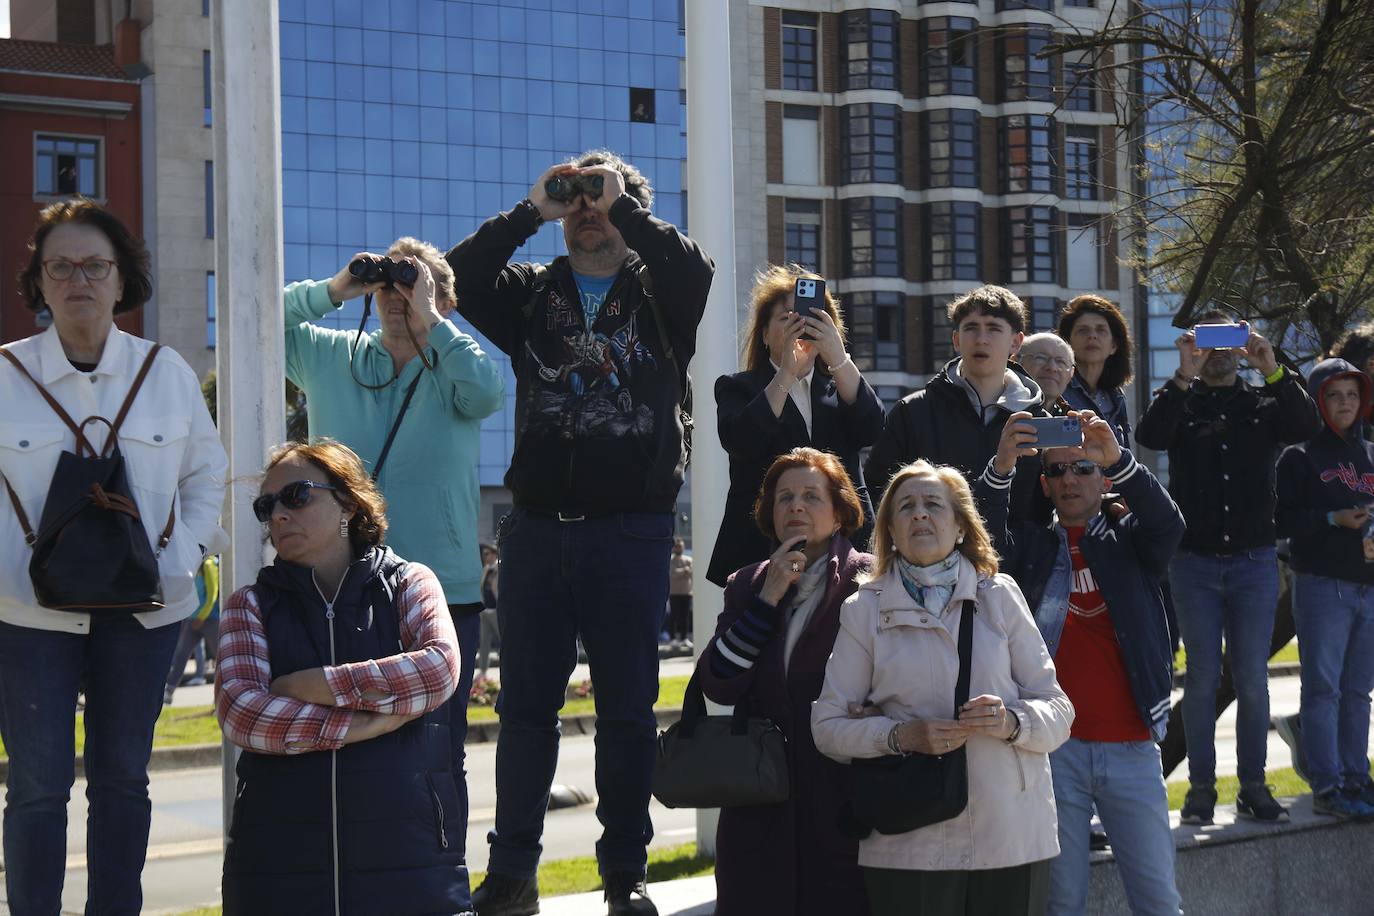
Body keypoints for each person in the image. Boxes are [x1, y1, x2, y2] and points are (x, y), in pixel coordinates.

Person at [448, 149, 713, 916]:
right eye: (577, 198)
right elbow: (459, 277)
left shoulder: (663, 292)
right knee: (525, 711)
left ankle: (624, 872)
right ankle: (512, 875)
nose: (587, 209)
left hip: (629, 532)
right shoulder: (534, 295)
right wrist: (534, 209)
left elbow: (693, 268)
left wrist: (620, 200)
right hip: (535, 532)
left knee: (628, 713)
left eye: (601, 197)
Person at [0, 199, 228, 914]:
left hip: (145, 611)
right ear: (37, 283)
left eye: (94, 266)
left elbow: (208, 478)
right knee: (36, 786)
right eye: (59, 266)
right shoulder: (4, 374)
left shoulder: (168, 374)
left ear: (122, 279)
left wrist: (181, 559)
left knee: (124, 779)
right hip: (26, 616)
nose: (78, 281)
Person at [283, 234, 503, 905]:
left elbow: (488, 392)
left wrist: (431, 316)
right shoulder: (331, 355)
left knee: (437, 755)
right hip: (337, 589)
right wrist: (338, 288)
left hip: (444, 590)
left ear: (443, 297)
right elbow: (260, 321)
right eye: (390, 284)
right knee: (339, 751)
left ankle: (442, 895)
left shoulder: (455, 366)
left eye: (413, 283)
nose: (397, 296)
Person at [811, 460, 1073, 916]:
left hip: (1010, 837)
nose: (919, 514)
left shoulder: (1001, 594)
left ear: (960, 528)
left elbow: (1058, 710)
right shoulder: (863, 609)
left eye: (933, 504)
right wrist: (898, 736)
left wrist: (1011, 721)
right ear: (890, 530)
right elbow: (827, 727)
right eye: (905, 506)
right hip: (909, 841)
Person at [217, 440, 468, 912]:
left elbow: (437, 670)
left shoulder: (411, 584)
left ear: (349, 504)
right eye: (266, 506)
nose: (279, 516)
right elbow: (243, 715)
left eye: (296, 496)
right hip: (277, 876)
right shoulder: (247, 605)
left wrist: (317, 685)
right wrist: (366, 723)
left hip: (410, 869)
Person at [981, 411, 1184, 915]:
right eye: (1056, 472)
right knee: (1061, 905)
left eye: (1083, 468)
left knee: (1158, 902)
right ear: (1045, 486)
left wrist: (1118, 457)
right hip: (1053, 755)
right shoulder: (1028, 549)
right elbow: (979, 542)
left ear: (1102, 477)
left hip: (1132, 748)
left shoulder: (1131, 540)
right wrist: (1003, 464)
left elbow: (1169, 524)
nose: (1069, 479)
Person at [1134, 315, 1319, 825]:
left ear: (1242, 346)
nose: (1217, 350)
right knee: (1201, 680)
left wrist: (1271, 367)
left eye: (1228, 339)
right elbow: (1149, 434)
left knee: (1252, 678)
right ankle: (1200, 791)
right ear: (1192, 346)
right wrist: (1182, 376)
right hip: (1193, 561)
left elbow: (1307, 426)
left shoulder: (1262, 401)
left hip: (1254, 561)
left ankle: (1254, 787)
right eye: (1206, 340)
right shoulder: (1180, 400)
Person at [698, 448, 873, 915]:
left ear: (839, 515)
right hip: (760, 804)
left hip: (843, 800)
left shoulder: (870, 582)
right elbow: (719, 681)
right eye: (784, 498)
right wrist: (767, 598)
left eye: (811, 496)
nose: (795, 506)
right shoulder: (746, 584)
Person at [707, 264, 885, 584]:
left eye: (810, 315)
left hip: (843, 549)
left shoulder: (841, 385)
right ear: (763, 333)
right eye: (786, 317)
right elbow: (743, 440)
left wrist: (839, 358)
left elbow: (872, 428)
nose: (799, 323)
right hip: (761, 549)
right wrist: (786, 374)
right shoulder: (738, 387)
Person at [1275, 358, 1374, 819]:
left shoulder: (1371, 454)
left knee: (1358, 693)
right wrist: (1332, 518)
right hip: (1321, 583)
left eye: (1353, 395)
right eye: (1335, 395)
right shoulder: (1299, 455)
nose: (1345, 404)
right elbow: (1283, 520)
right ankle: (1328, 785)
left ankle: (1358, 777)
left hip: (1368, 587)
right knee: (1323, 691)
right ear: (1318, 400)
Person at [865, 285, 1046, 524]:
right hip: (926, 555)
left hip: (1013, 559)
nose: (981, 339)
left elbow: (1046, 512)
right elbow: (877, 496)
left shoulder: (1038, 422)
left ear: (1015, 343)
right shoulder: (912, 412)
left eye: (993, 328)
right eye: (971, 328)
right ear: (956, 340)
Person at [1057, 295, 1134, 447]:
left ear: (1114, 346)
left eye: (1101, 330)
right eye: (1083, 330)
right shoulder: (1057, 388)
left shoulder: (1115, 396)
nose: (1092, 336)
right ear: (1067, 342)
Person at [164, 554, 222, 704]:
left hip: (210, 619)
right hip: (192, 619)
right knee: (181, 654)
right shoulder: (193, 563)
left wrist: (201, 617)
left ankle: (224, 694)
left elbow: (212, 594)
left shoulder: (208, 565)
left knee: (221, 657)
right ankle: (169, 691)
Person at [1018, 332, 1075, 412]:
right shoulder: (998, 412)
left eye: (1061, 362)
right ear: (1016, 362)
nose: (1052, 367)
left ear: (1071, 374)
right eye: (1041, 358)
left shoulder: (1073, 420)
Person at [477, 542, 501, 676]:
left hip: (497, 610)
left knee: (504, 640)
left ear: (494, 554)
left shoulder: (500, 568)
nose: (485, 556)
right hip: (486, 611)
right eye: (484, 554)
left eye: (487, 553)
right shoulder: (486, 569)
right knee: (484, 642)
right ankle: (483, 671)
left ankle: (509, 667)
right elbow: (481, 588)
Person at [667, 538, 693, 648]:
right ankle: (672, 638)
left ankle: (684, 637)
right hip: (674, 593)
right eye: (677, 546)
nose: (679, 548)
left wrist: (682, 571)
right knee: (673, 616)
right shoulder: (670, 560)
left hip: (686, 592)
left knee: (685, 616)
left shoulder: (689, 559)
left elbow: (691, 572)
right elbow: (672, 573)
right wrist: (684, 571)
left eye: (681, 546)